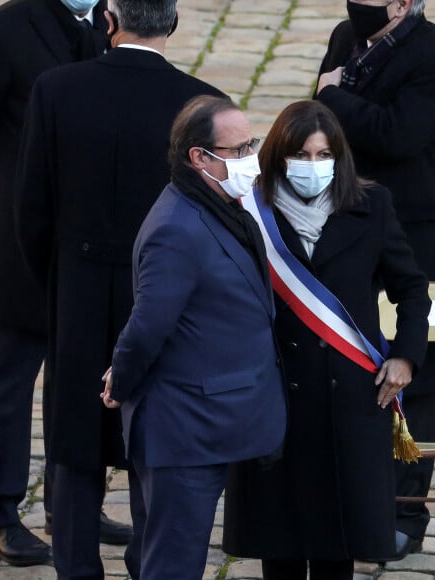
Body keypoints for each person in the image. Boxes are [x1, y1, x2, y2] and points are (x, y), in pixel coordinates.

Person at [14, 2, 225, 577]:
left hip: (77, 291)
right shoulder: (201, 102)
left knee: (76, 442)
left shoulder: (56, 89)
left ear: (108, 20)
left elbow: (30, 207)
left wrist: (55, 283)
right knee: (154, 435)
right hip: (164, 295)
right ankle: (148, 562)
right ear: (173, 22)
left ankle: (77, 566)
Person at [0, 0, 131, 567]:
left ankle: (73, 503)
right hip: (22, 234)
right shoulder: (2, 29)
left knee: (81, 374)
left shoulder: (107, 21)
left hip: (88, 235)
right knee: (9, 379)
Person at [222, 100, 431, 579]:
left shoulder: (371, 205)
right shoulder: (249, 210)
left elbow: (412, 289)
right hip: (275, 391)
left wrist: (406, 357)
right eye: (301, 155)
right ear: (277, 155)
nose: (312, 166)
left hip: (351, 395)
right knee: (281, 539)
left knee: (341, 539)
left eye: (322, 155)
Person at [100, 94, 287, 580]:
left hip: (216, 420)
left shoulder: (221, 205)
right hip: (185, 429)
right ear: (199, 158)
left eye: (252, 144)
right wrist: (120, 379)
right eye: (239, 149)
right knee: (171, 564)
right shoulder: (177, 229)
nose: (251, 159)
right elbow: (147, 325)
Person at [314, 0, 435, 558]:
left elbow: (397, 133)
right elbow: (324, 130)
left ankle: (406, 514)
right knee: (347, 354)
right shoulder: (344, 36)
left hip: (417, 234)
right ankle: (352, 501)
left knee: (415, 371)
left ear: (404, 4)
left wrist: (333, 96)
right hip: (351, 228)